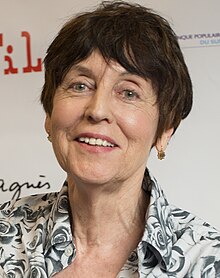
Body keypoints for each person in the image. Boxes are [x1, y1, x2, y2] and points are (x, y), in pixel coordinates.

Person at [0, 1, 220, 277]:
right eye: (80, 85)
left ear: (165, 130)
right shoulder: (6, 235)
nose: (97, 110)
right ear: (49, 115)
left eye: (129, 93)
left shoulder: (206, 260)